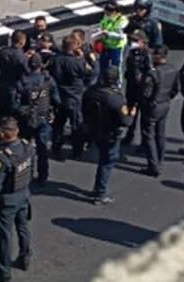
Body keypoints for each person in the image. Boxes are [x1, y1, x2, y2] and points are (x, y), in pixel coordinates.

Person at [0, 118, 34, 282]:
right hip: (24, 193)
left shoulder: (2, 157)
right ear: (17, 131)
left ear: (1, 133)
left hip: (8, 200)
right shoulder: (27, 147)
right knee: (23, 227)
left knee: (4, 235)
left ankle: (4, 271)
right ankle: (25, 257)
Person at [83, 67, 135, 205]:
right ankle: (100, 193)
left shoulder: (91, 91)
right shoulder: (116, 99)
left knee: (102, 159)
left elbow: (84, 108)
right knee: (107, 162)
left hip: (94, 131)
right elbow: (126, 121)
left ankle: (98, 188)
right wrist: (131, 114)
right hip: (110, 134)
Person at [14, 55, 59, 186]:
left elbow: (15, 104)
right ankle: (42, 177)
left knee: (24, 150)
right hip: (43, 118)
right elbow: (56, 99)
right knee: (42, 150)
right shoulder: (48, 80)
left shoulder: (22, 82)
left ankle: (25, 175)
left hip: (26, 120)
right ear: (41, 65)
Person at [48, 36, 92, 160]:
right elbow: (89, 72)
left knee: (58, 124)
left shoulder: (55, 59)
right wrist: (82, 58)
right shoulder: (78, 62)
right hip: (75, 97)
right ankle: (77, 150)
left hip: (59, 95)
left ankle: (56, 147)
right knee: (76, 125)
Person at [139, 45, 178, 177]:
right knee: (160, 134)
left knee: (148, 135)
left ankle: (153, 165)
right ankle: (159, 161)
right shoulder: (173, 69)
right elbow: (176, 89)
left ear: (158, 56)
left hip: (153, 107)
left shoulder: (153, 73)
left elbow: (146, 93)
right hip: (165, 104)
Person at [120, 30, 152, 148]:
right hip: (132, 86)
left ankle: (144, 142)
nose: (133, 42)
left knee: (144, 117)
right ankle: (129, 135)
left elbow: (150, 72)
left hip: (142, 88)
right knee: (131, 112)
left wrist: (142, 78)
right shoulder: (132, 52)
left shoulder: (147, 55)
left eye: (136, 40)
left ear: (143, 42)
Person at [0, 30, 28, 119]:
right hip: (16, 87)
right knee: (15, 114)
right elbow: (26, 71)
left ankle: (2, 129)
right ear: (22, 42)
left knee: (3, 112)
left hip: (3, 86)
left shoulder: (2, 52)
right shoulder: (21, 55)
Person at [96, 2, 129, 76]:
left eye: (107, 13)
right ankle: (103, 79)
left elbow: (122, 36)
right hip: (106, 45)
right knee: (103, 65)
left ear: (114, 12)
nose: (106, 14)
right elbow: (103, 24)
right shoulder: (106, 16)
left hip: (117, 47)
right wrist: (100, 30)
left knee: (116, 67)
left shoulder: (122, 21)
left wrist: (108, 34)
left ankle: (117, 83)